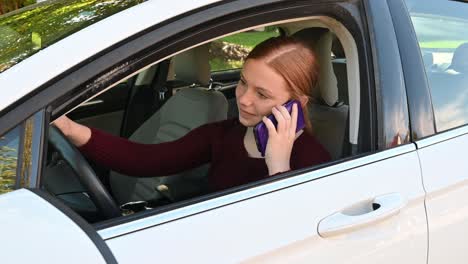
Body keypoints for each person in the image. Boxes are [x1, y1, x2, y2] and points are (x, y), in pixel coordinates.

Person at [54, 36, 331, 192]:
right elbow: (147, 160)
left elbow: (291, 233)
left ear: (296, 103)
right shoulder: (222, 135)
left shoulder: (313, 159)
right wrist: (70, 129)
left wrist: (279, 167)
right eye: (244, 82)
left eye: (262, 94)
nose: (243, 99)